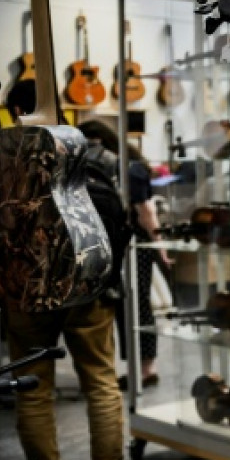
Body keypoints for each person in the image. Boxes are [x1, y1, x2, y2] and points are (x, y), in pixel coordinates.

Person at [0, 103, 129, 460]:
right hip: (90, 288)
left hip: (26, 292)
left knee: (34, 389)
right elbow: (118, 227)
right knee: (102, 381)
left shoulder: (8, 178)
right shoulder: (88, 171)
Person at [77, 119, 162, 389]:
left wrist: (158, 243)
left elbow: (145, 211)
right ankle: (142, 367)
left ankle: (146, 369)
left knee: (134, 305)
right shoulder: (127, 165)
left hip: (127, 242)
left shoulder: (125, 166)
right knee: (133, 305)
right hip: (127, 241)